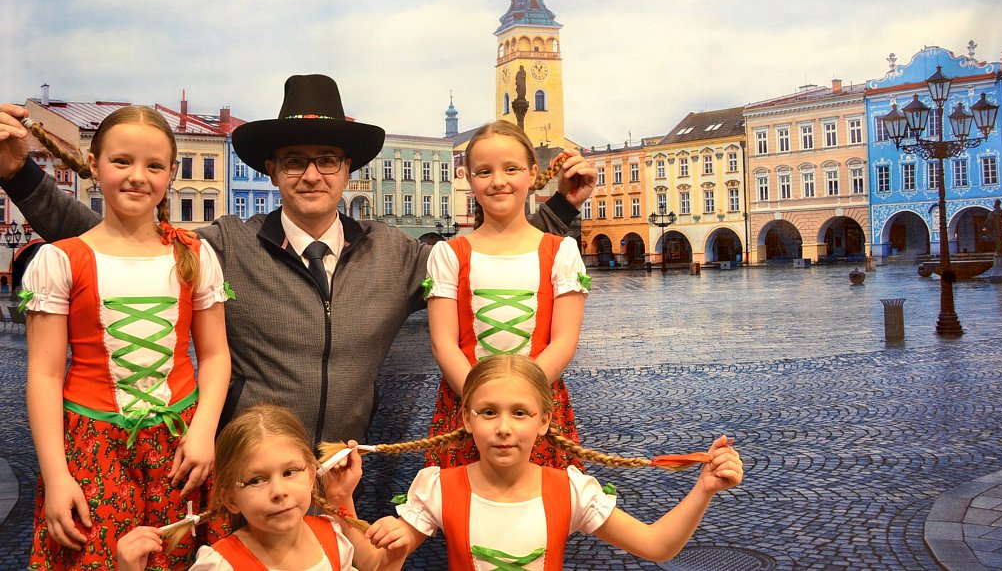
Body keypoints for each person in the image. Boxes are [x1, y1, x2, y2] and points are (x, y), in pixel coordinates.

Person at [0, 74, 596, 449]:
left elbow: (493, 253)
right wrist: (19, 175)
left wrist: (563, 208)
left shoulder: (396, 254)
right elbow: (112, 238)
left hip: (345, 463)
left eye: (327, 159)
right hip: (250, 465)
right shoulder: (225, 246)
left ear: (347, 169)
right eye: (294, 161)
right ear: (272, 171)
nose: (312, 174)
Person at [21, 106, 231, 569]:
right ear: (93, 165)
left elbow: (216, 355)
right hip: (91, 445)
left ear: (171, 174)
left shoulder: (194, 254)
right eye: (122, 161)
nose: (138, 176)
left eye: (154, 165)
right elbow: (44, 374)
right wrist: (56, 476)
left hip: (181, 445)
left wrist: (203, 431)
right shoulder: (61, 260)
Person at [328, 355, 743, 569]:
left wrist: (704, 489)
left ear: (544, 421)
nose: (503, 428)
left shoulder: (570, 490)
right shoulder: (438, 487)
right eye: (488, 412)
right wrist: (342, 500)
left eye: (520, 413)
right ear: (467, 419)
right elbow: (373, 565)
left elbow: (657, 547)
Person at [421, 121, 588, 469]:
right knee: (462, 497)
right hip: (467, 403)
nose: (498, 180)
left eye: (511, 169)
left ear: (532, 173)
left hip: (537, 402)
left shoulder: (561, 252)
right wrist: (481, 402)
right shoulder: (449, 254)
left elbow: (564, 342)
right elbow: (444, 344)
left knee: (544, 497)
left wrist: (523, 399)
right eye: (485, 171)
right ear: (469, 178)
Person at [116, 404, 408, 571]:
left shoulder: (334, 536)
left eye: (290, 472)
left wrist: (394, 556)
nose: (278, 490)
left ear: (311, 475)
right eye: (256, 480)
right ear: (230, 498)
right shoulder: (221, 565)